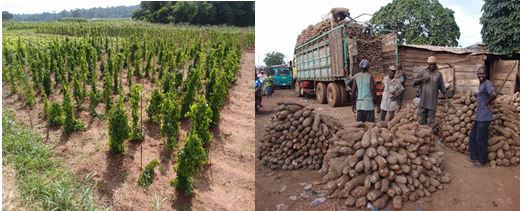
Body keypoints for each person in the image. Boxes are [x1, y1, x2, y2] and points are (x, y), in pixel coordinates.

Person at [469, 65, 497, 167]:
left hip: (485, 117)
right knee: (472, 136)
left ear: (486, 74)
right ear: (477, 74)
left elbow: (493, 94)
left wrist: (486, 102)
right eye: (479, 74)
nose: (481, 75)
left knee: (481, 138)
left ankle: (482, 160)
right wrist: (478, 95)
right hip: (479, 116)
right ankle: (474, 157)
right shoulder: (481, 84)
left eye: (483, 73)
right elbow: (483, 93)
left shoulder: (487, 83)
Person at [413, 56, 448, 126]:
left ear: (436, 64)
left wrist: (447, 100)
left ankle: (430, 135)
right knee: (421, 123)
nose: (432, 66)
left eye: (433, 64)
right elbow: (414, 82)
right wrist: (423, 79)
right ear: (428, 64)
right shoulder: (423, 72)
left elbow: (443, 88)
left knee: (430, 124)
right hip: (423, 102)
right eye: (430, 64)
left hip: (432, 103)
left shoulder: (438, 74)